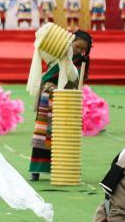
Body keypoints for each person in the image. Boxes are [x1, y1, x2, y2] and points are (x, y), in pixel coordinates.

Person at [29, 30, 92, 181]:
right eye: (76, 46)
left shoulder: (81, 61)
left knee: (65, 135)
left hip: (67, 99)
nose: (78, 50)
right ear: (70, 42)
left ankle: (65, 168)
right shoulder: (57, 53)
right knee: (43, 134)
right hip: (48, 96)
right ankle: (36, 170)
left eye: (82, 49)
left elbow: (77, 79)